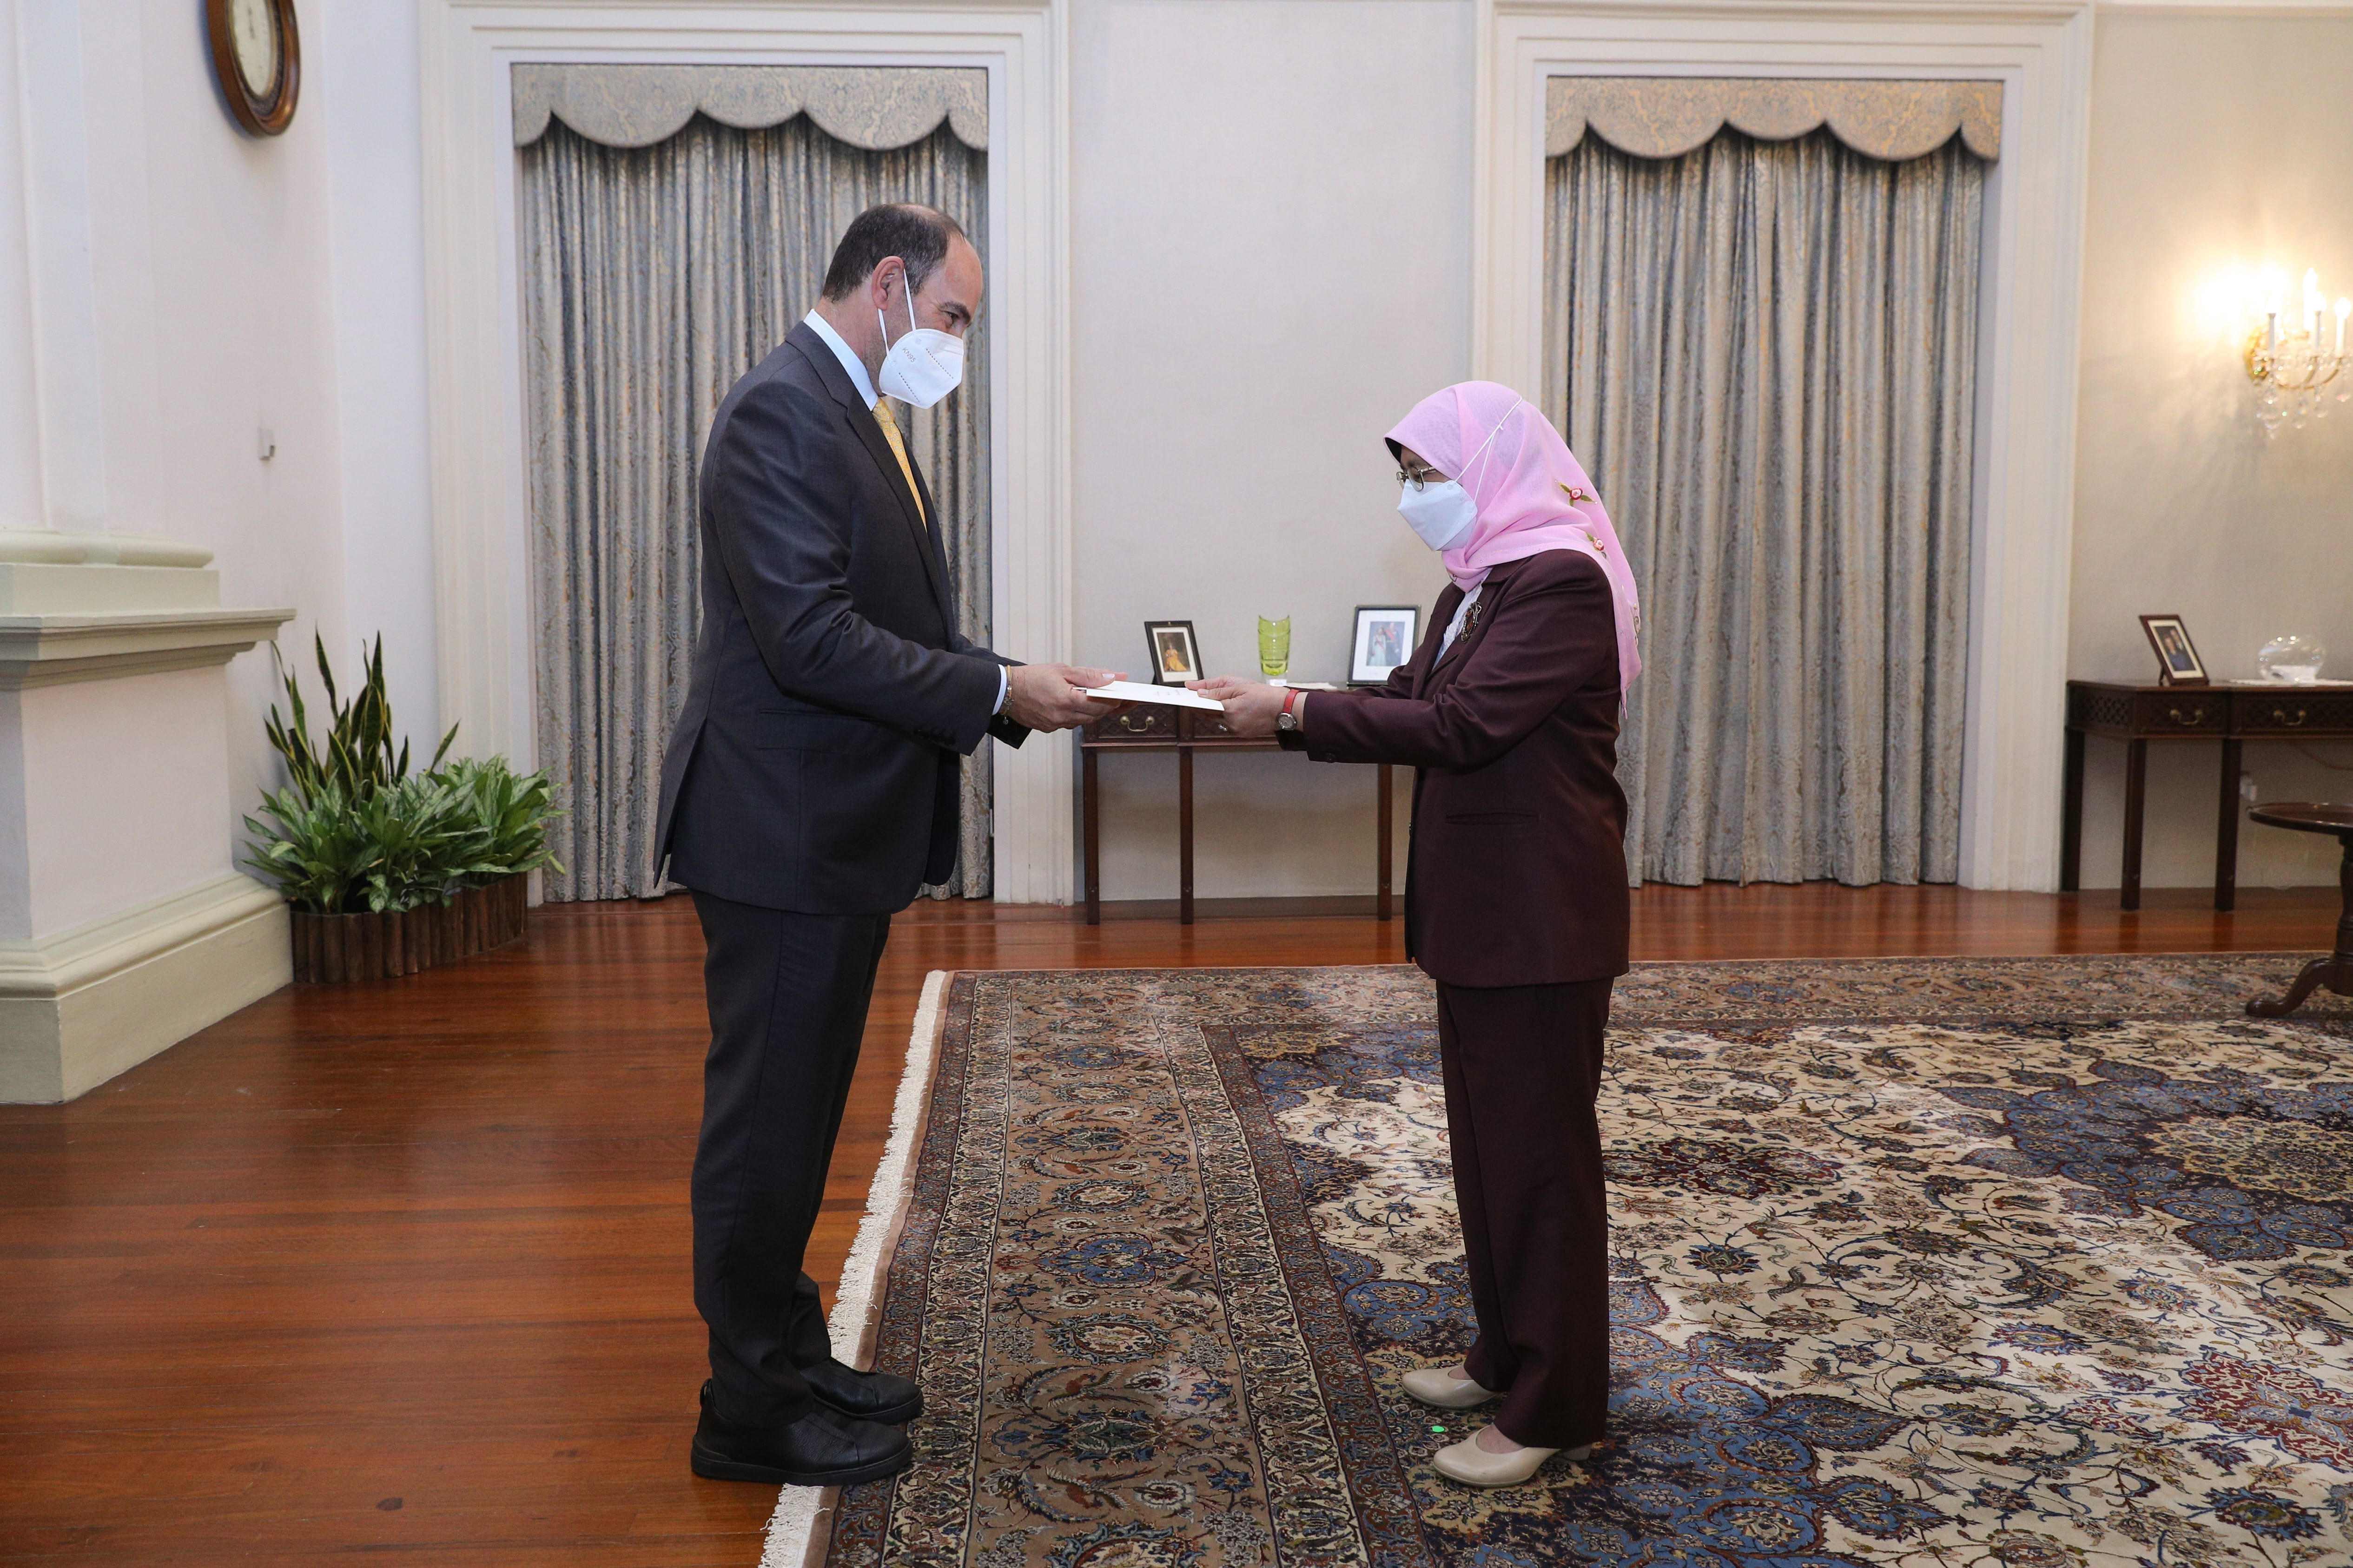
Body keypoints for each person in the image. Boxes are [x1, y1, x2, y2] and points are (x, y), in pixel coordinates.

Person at [654, 204, 1119, 1488]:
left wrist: (1007, 672)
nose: (956, 342)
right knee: (761, 1126)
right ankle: (742, 1407)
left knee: (797, 1117)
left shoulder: (848, 406)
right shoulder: (779, 411)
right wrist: (994, 695)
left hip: (825, 832)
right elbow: (811, 639)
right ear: (886, 286)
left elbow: (880, 615)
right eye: (954, 316)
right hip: (778, 831)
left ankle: (787, 1349)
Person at [1192, 382, 1640, 1489]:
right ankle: (1504, 1353)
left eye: (1425, 474)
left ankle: (1555, 1400)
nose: (1413, 498)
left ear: (1492, 466)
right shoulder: (1481, 586)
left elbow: (1461, 725)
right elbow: (1408, 692)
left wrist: (1290, 715)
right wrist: (1275, 696)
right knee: (1490, 1151)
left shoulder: (1560, 582)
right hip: (1485, 913)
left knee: (1537, 1163)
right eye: (1404, 475)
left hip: (1540, 916)